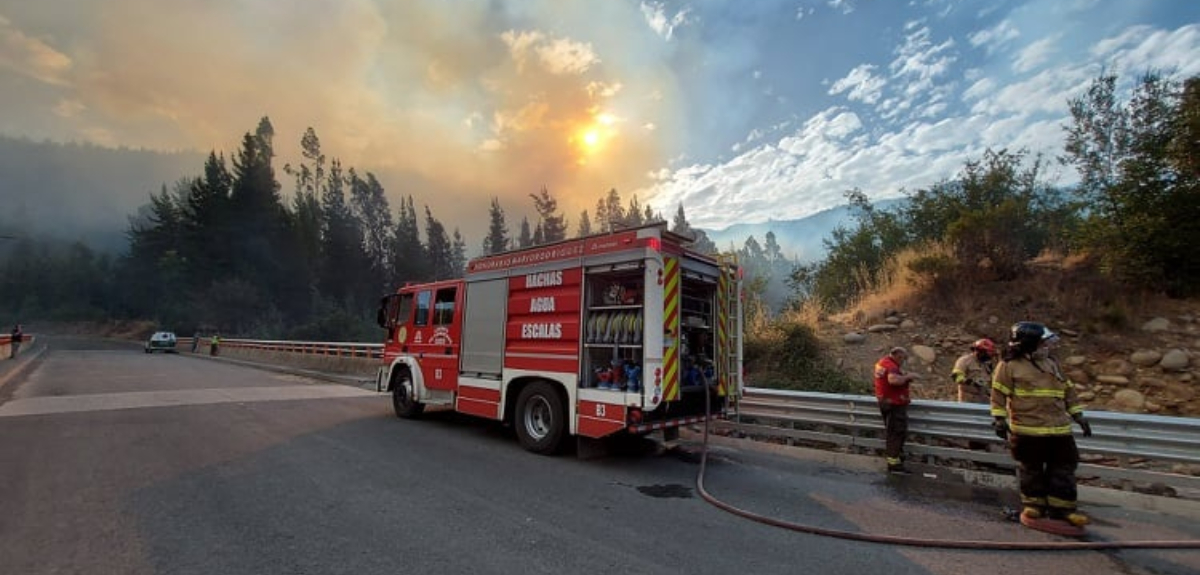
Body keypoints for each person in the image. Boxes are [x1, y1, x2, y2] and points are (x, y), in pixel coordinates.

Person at [991, 321, 1092, 528]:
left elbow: (1068, 392)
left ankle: (1064, 509)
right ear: (1028, 343)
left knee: (1064, 468)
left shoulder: (1052, 364)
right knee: (1031, 470)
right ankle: (1034, 505)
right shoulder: (1009, 366)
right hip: (1028, 429)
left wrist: (1078, 415)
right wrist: (999, 419)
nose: (1047, 347)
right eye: (1042, 343)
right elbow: (998, 393)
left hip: (1059, 429)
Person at [874, 346, 921, 474]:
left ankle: (895, 460)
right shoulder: (891, 366)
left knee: (892, 432)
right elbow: (893, 380)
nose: (903, 361)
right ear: (898, 356)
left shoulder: (882, 362)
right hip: (894, 405)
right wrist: (907, 377)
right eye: (902, 358)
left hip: (886, 402)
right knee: (896, 433)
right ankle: (894, 464)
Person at [951, 338, 996, 403]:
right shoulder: (964, 361)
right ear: (980, 351)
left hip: (985, 401)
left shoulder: (987, 365)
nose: (989, 356)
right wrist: (972, 382)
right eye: (987, 353)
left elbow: (991, 381)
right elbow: (956, 376)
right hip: (968, 401)